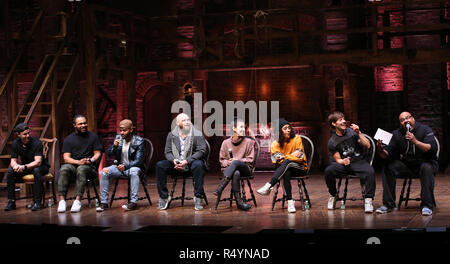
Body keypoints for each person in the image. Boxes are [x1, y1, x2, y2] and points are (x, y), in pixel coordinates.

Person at [375, 112, 438, 216]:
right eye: (402, 120)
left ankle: (427, 205)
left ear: (413, 119)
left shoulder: (425, 130)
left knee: (427, 168)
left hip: (424, 162)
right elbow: (387, 154)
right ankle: (388, 204)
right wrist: (380, 149)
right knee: (388, 167)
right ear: (401, 123)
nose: (406, 121)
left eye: (408, 118)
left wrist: (415, 141)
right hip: (406, 164)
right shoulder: (397, 133)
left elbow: (432, 149)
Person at [323, 111, 375, 213]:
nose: (344, 121)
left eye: (344, 119)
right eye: (340, 120)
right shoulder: (332, 141)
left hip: (358, 162)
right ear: (334, 124)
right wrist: (343, 161)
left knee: (370, 172)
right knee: (328, 171)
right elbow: (337, 159)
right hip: (345, 165)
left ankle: (368, 200)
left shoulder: (351, 132)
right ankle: (333, 195)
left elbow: (368, 145)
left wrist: (358, 133)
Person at [155, 113, 208, 211]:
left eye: (188, 119)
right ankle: (164, 196)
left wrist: (186, 161)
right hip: (176, 164)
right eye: (183, 120)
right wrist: (174, 161)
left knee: (199, 164)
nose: (187, 122)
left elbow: (202, 151)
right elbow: (168, 152)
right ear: (177, 123)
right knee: (160, 165)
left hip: (191, 165)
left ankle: (198, 197)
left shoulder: (197, 133)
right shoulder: (171, 135)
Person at [256, 119, 308, 213]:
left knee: (287, 162)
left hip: (300, 168)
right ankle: (290, 201)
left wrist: (285, 157)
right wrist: (291, 156)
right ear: (279, 131)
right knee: (286, 171)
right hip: (286, 170)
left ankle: (269, 185)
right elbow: (275, 161)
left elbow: (300, 157)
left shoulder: (297, 138)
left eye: (289, 128)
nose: (288, 130)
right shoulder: (275, 144)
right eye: (285, 128)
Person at [57, 114, 103, 213]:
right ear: (74, 125)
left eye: (85, 123)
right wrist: (78, 162)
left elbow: (98, 153)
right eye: (80, 124)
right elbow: (66, 158)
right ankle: (62, 201)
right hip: (74, 165)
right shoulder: (69, 139)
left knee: (81, 169)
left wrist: (91, 160)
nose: (83, 125)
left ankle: (77, 200)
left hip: (89, 167)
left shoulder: (93, 137)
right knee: (64, 169)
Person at [96, 119, 145, 212]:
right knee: (104, 172)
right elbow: (109, 154)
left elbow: (139, 161)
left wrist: (126, 167)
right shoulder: (119, 138)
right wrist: (114, 146)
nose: (121, 132)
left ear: (131, 130)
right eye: (120, 130)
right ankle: (104, 203)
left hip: (132, 168)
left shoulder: (139, 141)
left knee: (134, 171)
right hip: (119, 168)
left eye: (124, 130)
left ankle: (133, 202)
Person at [4, 123, 49, 211]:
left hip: (41, 167)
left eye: (29, 133)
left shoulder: (37, 142)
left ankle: (37, 202)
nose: (28, 135)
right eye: (25, 134)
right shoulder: (15, 144)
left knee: (37, 170)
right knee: (10, 171)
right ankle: (11, 202)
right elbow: (13, 161)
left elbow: (38, 162)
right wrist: (16, 166)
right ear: (18, 135)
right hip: (27, 168)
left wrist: (23, 167)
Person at [213, 118, 255, 211]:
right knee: (236, 173)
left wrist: (237, 160)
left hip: (245, 169)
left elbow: (250, 160)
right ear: (234, 128)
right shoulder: (226, 143)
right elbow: (222, 161)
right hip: (230, 170)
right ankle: (239, 203)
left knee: (236, 162)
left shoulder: (248, 142)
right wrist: (230, 162)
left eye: (244, 127)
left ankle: (220, 187)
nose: (243, 129)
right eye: (241, 127)